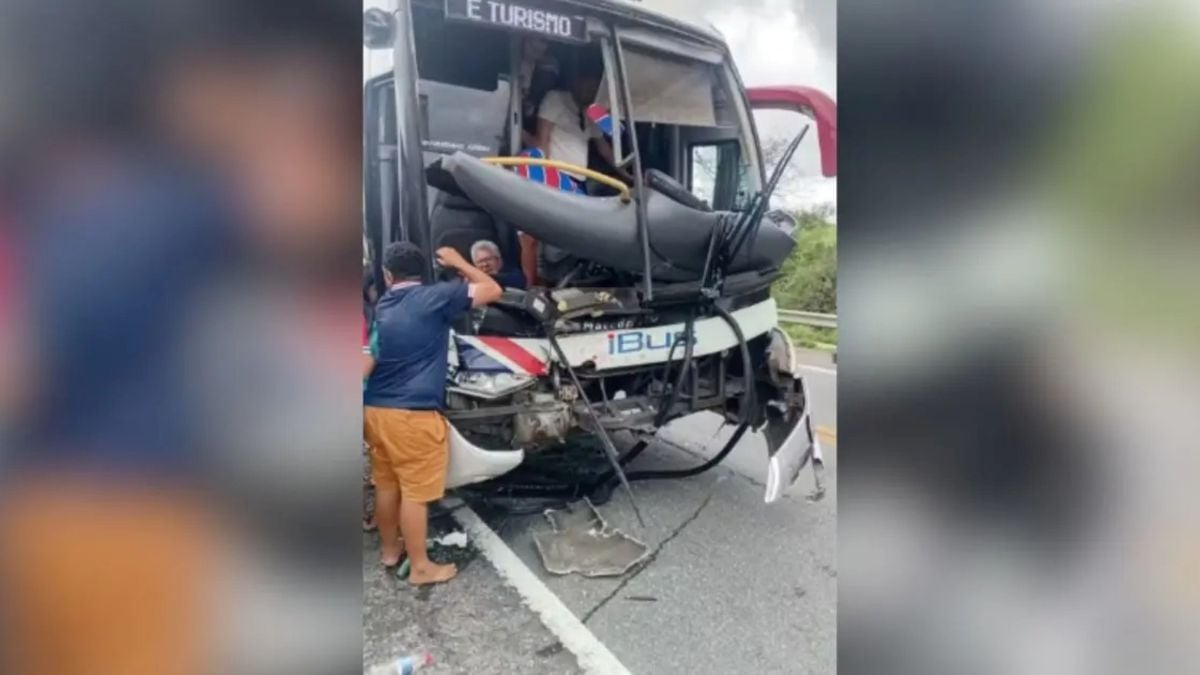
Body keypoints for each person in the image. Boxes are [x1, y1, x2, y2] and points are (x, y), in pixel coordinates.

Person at [362, 242, 502, 585]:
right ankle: (421, 567)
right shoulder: (435, 297)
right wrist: (458, 261)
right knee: (415, 492)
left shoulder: (384, 304)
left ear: (387, 275)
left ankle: (390, 551)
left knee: (386, 484)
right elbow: (493, 289)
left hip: (376, 411)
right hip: (413, 415)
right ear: (422, 272)